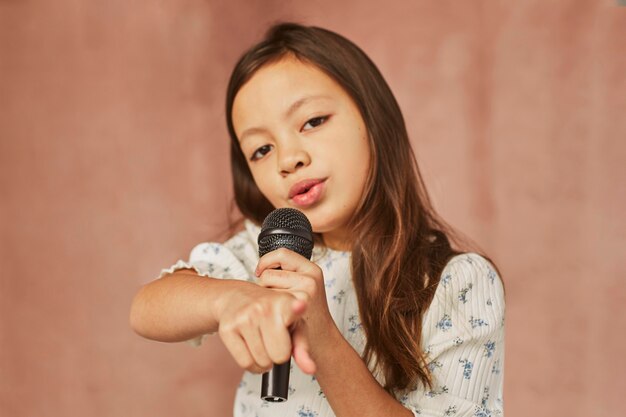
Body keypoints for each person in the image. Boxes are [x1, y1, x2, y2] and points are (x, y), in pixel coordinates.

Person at [130, 22, 505, 417]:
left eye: (312, 122)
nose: (288, 159)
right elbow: (146, 309)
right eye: (261, 149)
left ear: (374, 120)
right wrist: (229, 299)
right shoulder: (266, 252)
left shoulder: (458, 284)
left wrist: (322, 336)